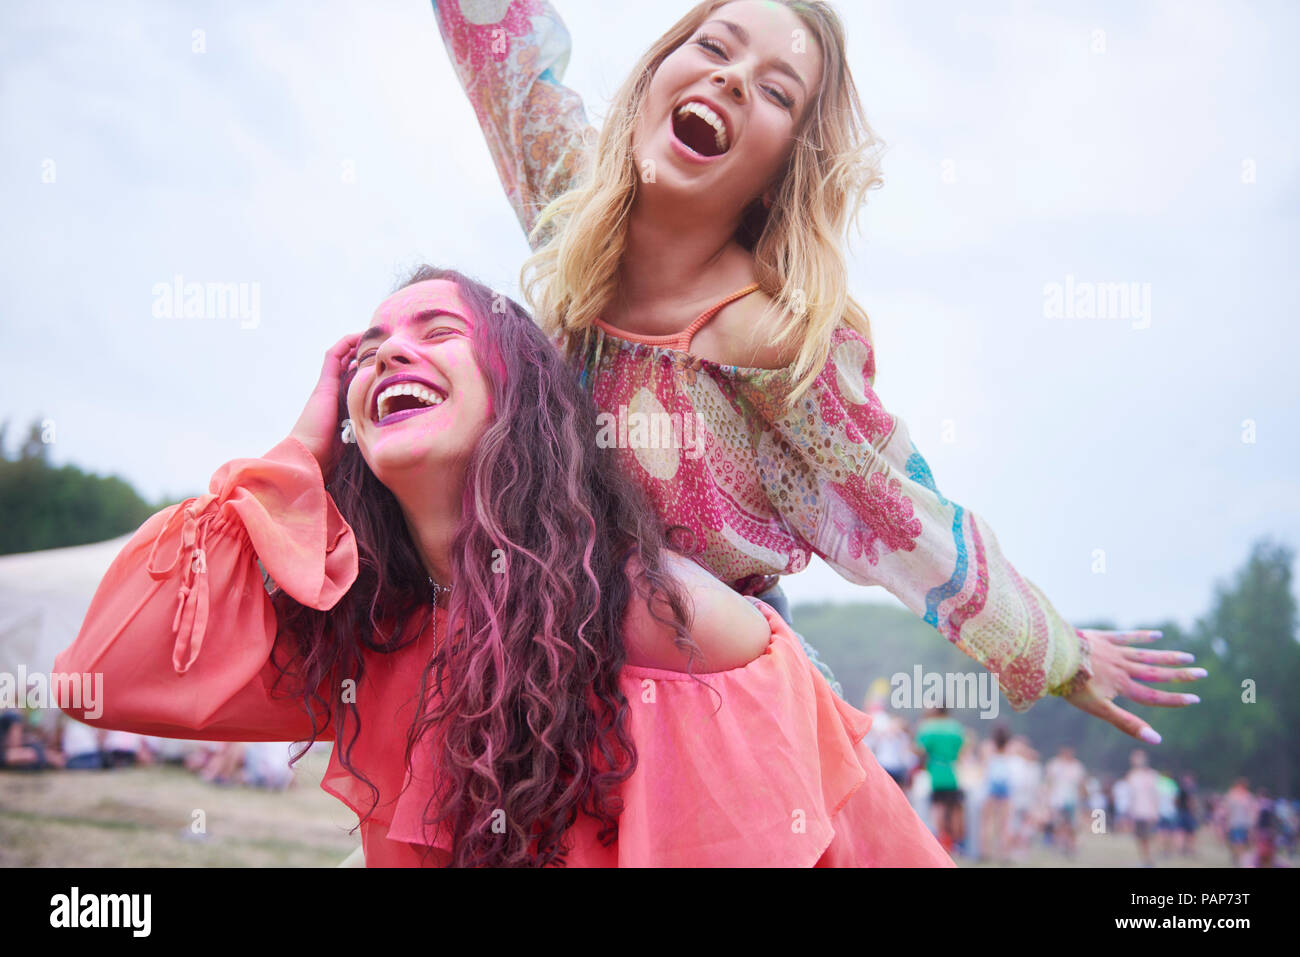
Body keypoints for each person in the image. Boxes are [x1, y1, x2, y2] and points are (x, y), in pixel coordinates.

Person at [430, 0, 1206, 737]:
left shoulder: (772, 341)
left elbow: (899, 511)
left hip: (711, 696)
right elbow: (504, 55)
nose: (732, 79)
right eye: (713, 45)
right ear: (651, 79)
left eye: (775, 90)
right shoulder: (573, 200)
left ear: (778, 170)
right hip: (539, 661)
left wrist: (1057, 653)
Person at [53, 267, 952, 868]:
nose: (388, 352)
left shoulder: (644, 608)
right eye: (366, 351)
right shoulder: (372, 624)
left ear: (515, 391)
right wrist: (301, 448)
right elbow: (101, 678)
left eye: (437, 330)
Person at [914, 707, 965, 854]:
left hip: (936, 773)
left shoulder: (928, 727)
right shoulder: (956, 727)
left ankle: (944, 842)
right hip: (953, 772)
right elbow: (961, 750)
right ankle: (957, 843)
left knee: (939, 808)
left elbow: (919, 749)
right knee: (955, 808)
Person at [1044, 745, 1086, 857]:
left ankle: (1070, 845)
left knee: (1071, 825)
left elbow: (1081, 785)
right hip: (1058, 800)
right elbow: (1049, 783)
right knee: (1059, 824)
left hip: (1072, 800)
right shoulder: (1054, 765)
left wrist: (1082, 800)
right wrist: (1047, 800)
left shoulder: (1077, 766)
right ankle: (1060, 845)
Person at [979, 725, 1013, 864]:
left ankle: (985, 852)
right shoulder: (1010, 748)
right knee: (1004, 823)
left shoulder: (987, 748)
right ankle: (1003, 853)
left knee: (987, 821)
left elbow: (983, 766)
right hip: (1005, 786)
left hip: (991, 785)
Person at [1125, 750, 1161, 867]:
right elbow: (1131, 796)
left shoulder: (1152, 775)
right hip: (1137, 812)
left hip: (1149, 812)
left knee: (1148, 837)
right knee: (1140, 838)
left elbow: (1155, 795)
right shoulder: (1132, 776)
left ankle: (1149, 860)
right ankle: (1145, 860)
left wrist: (1155, 812)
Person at [1222, 778, 1256, 867]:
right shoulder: (1232, 795)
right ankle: (1236, 857)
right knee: (1234, 842)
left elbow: (1252, 811)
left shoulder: (1248, 797)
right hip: (1234, 823)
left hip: (1244, 824)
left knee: (1241, 842)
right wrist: (1226, 822)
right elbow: (1227, 809)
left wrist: (1252, 824)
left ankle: (1239, 859)